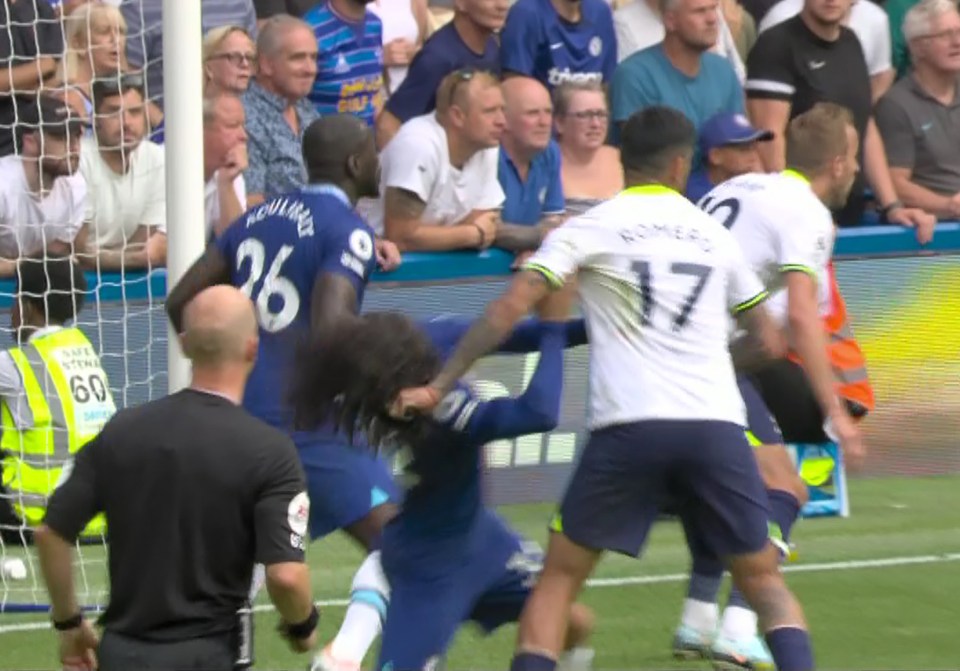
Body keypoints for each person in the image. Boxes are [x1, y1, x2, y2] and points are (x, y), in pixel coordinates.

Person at [390, 105, 818, 671]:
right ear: (680, 163)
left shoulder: (591, 226)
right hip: (715, 424)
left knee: (558, 582)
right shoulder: (713, 237)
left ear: (624, 162)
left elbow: (507, 308)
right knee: (762, 580)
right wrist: (712, 359)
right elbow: (769, 339)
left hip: (630, 427)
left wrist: (439, 385)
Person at [166, 114, 401, 671]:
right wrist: (389, 366)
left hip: (236, 414)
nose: (379, 164)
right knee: (408, 543)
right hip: (309, 421)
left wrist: (230, 359)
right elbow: (330, 329)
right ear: (354, 165)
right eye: (373, 154)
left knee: (234, 562)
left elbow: (180, 303)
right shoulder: (346, 229)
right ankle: (343, 658)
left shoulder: (254, 218)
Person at [290, 298, 595, 671]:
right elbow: (540, 412)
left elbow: (511, 334)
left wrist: (600, 326)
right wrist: (553, 323)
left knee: (571, 619)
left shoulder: (424, 347)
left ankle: (342, 656)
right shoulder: (443, 414)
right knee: (557, 612)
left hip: (484, 542)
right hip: (428, 569)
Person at [675, 101, 868, 669]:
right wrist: (835, 411)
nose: (856, 172)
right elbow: (804, 319)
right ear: (837, 163)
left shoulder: (742, 190)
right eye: (854, 159)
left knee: (732, 487)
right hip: (711, 361)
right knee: (784, 489)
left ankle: (698, 616)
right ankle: (738, 625)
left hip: (683, 354)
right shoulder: (804, 213)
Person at [36, 285, 317, 671]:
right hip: (211, 654)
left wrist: (69, 622)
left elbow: (50, 533)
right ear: (253, 348)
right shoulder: (271, 453)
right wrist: (304, 627)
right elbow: (286, 576)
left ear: (184, 344)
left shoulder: (121, 431)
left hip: (123, 652)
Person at [0, 256, 114, 549]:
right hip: (99, 519)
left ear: (26, 306)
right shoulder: (83, 347)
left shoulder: (15, 363)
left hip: (37, 517)